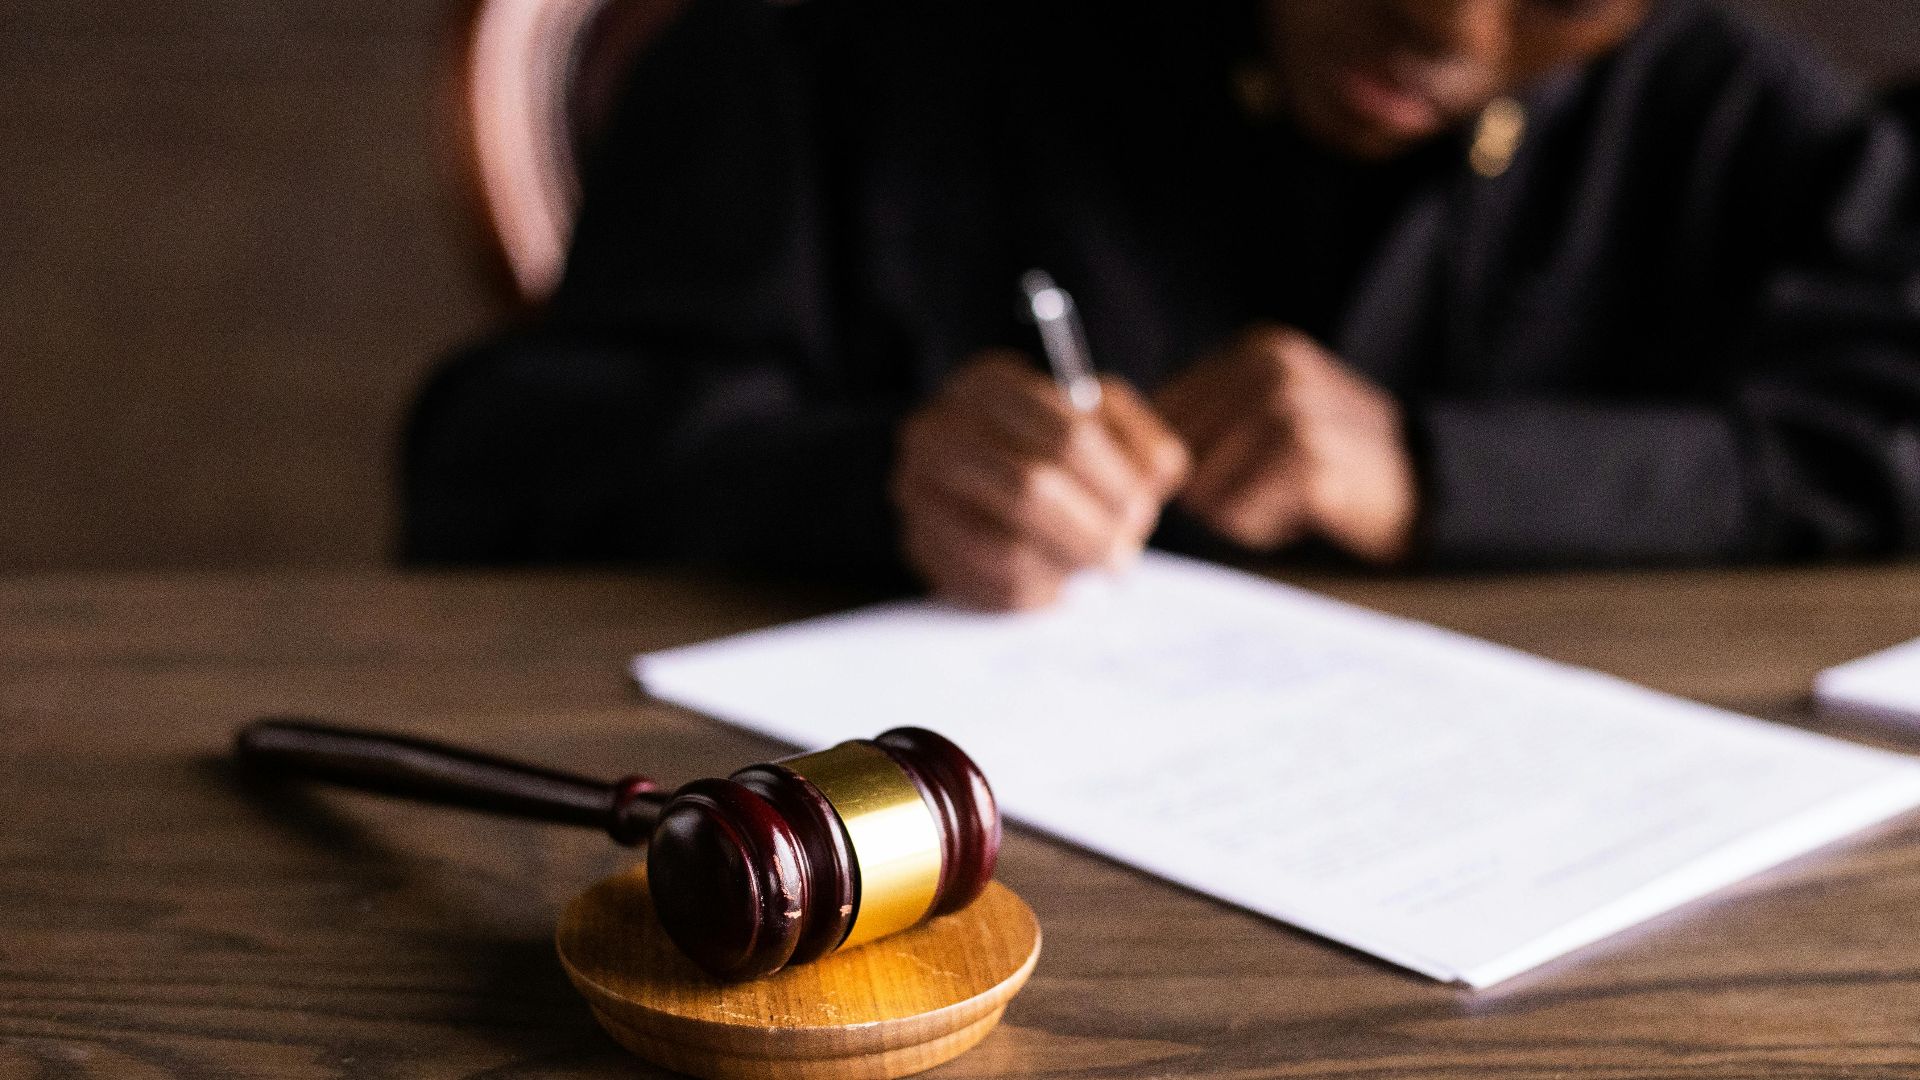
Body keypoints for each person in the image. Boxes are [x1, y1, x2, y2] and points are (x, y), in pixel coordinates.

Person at [405, 0, 1920, 610]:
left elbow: (1889, 434)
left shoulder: (1717, 112)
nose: (1448, 24)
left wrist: (1441, 473)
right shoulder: (841, 47)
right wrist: (875, 477)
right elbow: (493, 464)